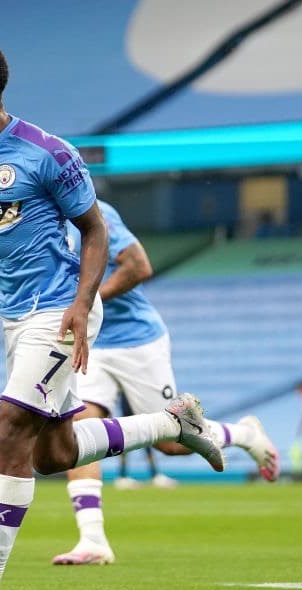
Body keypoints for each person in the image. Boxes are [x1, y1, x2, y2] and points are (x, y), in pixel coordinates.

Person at [0, 37, 224, 590]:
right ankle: (171, 421)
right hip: (15, 316)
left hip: (59, 308)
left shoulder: (47, 153)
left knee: (8, 431)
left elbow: (96, 232)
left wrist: (82, 301)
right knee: (54, 453)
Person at [52, 200, 280, 566]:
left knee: (172, 445)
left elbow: (139, 266)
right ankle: (92, 540)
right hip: (91, 342)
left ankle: (246, 435)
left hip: (138, 341)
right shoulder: (36, 216)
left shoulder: (94, 211)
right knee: (80, 432)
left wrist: (87, 301)